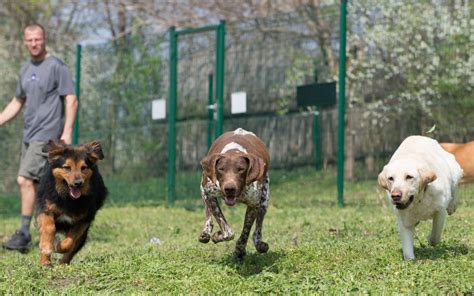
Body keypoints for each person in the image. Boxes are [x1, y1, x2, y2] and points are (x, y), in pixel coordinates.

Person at [0, 23, 78, 252]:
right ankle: (55, 227)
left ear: (44, 39)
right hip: (29, 134)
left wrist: (66, 132)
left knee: (24, 180)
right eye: (30, 40)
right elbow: (17, 101)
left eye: (38, 39)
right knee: (40, 185)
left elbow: (71, 99)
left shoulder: (56, 66)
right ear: (24, 41)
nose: (34, 43)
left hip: (47, 136)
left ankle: (24, 233)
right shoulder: (25, 69)